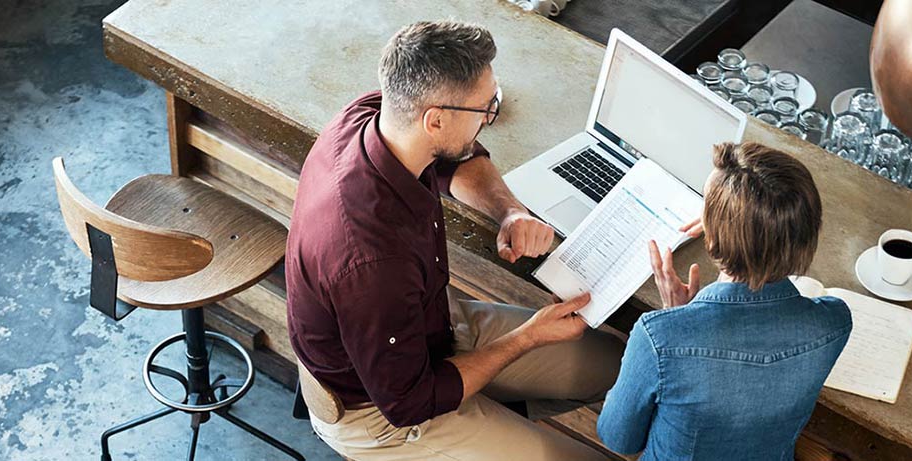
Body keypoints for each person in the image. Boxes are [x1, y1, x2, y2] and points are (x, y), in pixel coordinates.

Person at [286, 20, 624, 460]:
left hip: (431, 330)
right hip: (381, 414)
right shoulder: (372, 260)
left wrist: (510, 211)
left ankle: (489, 416)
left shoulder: (372, 118)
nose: (488, 118)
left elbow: (453, 159)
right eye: (484, 110)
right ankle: (481, 426)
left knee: (618, 365)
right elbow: (408, 402)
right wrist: (526, 339)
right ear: (436, 119)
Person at [597, 142, 853, 459]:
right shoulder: (835, 322)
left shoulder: (658, 338)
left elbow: (618, 439)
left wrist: (677, 319)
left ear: (712, 237)